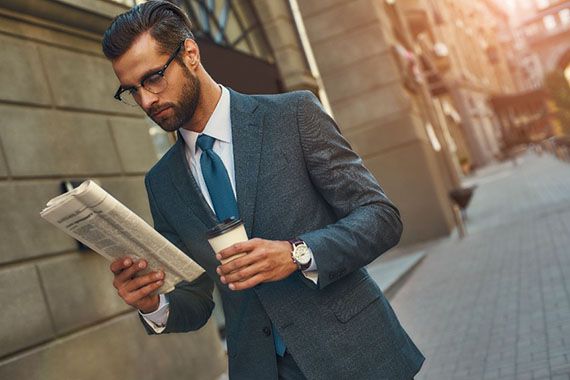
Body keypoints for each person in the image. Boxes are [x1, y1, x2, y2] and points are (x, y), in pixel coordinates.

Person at [102, 1, 424, 379]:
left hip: (354, 356)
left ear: (190, 53)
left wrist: (297, 253)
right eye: (131, 90)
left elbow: (381, 218)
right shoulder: (161, 183)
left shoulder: (293, 116)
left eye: (153, 78)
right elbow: (197, 296)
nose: (145, 100)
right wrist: (154, 303)